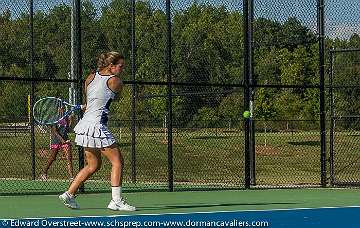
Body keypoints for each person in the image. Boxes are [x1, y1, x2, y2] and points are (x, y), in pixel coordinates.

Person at [59, 51, 135, 211]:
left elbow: (90, 102)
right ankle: (116, 201)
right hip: (96, 126)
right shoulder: (116, 81)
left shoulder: (90, 77)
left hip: (85, 125)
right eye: (120, 66)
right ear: (111, 66)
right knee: (117, 162)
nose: (122, 69)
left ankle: (69, 194)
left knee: (93, 165)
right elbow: (115, 98)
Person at [40, 109, 74, 180]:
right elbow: (55, 132)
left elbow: (68, 130)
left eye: (63, 108)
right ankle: (44, 172)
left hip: (65, 140)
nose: (62, 109)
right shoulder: (54, 119)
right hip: (56, 141)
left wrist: (71, 121)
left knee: (69, 158)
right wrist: (62, 141)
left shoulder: (66, 118)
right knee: (52, 158)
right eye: (60, 108)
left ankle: (71, 177)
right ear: (58, 109)